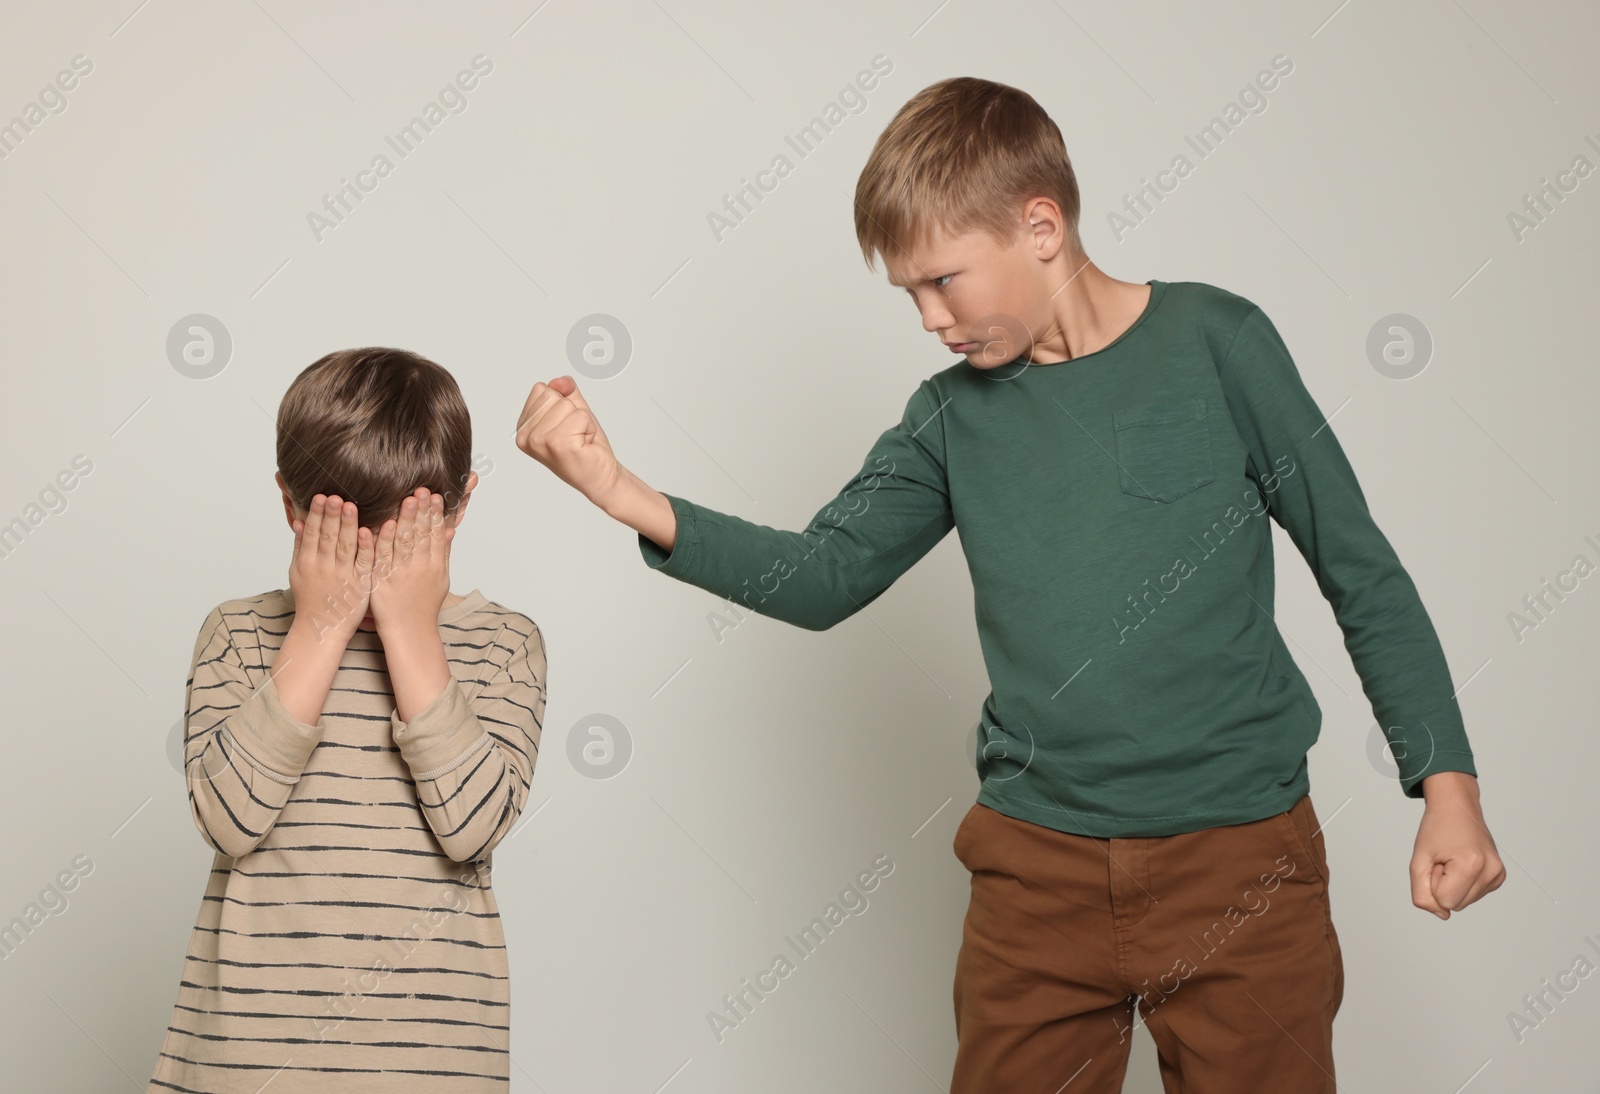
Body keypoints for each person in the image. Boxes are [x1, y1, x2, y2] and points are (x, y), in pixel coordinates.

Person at [514, 76, 1505, 1092]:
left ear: (1041, 226)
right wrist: (621, 490)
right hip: (1037, 873)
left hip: (1239, 860)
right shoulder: (949, 416)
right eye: (907, 293)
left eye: (943, 280)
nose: (929, 318)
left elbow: (1360, 569)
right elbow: (822, 574)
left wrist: (1448, 787)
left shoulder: (1218, 343)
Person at [148, 347, 546, 1093]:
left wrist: (411, 630)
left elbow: (473, 826)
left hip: (432, 1066)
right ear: (291, 507)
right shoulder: (239, 633)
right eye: (341, 536)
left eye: (396, 540)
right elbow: (230, 820)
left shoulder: (503, 643)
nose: (367, 570)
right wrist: (321, 626)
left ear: (458, 511)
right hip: (244, 1064)